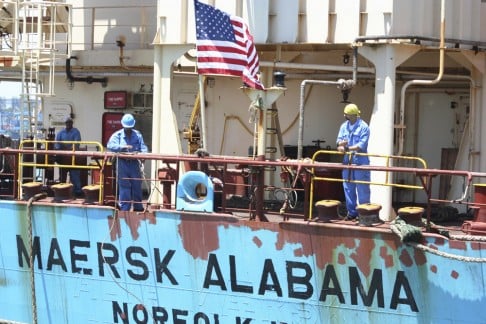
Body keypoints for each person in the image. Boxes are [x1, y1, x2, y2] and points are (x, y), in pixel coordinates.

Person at [336, 103, 370, 220]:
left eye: (347, 115)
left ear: (352, 115)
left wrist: (346, 148)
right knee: (348, 187)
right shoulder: (343, 127)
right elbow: (338, 142)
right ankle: (352, 213)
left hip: (360, 162)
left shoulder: (364, 127)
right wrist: (340, 146)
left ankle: (364, 214)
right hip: (347, 162)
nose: (345, 116)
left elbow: (361, 145)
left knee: (362, 188)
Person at [107, 113, 148, 211]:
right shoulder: (118, 135)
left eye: (129, 128)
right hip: (122, 163)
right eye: (126, 128)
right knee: (124, 186)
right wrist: (122, 147)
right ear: (123, 126)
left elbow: (143, 147)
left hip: (134, 163)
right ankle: (125, 208)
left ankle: (138, 207)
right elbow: (110, 146)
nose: (128, 130)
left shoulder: (137, 135)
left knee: (136, 185)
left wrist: (144, 155)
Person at [55, 117, 83, 196]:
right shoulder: (60, 133)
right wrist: (62, 150)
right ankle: (62, 190)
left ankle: (77, 192)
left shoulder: (76, 132)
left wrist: (67, 148)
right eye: (67, 123)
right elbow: (57, 144)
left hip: (73, 158)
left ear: (72, 123)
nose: (68, 124)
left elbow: (76, 144)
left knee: (75, 175)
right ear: (65, 123)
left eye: (70, 122)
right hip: (63, 158)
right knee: (62, 176)